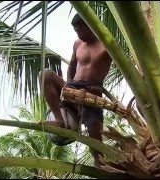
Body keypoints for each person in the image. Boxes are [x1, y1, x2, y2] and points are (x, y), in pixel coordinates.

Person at [39, 13, 112, 167]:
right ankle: (59, 119)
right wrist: (68, 85)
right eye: (76, 31)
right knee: (45, 75)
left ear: (90, 26)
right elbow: (72, 66)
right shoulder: (78, 44)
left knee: (95, 137)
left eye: (80, 30)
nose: (78, 34)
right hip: (72, 88)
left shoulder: (107, 45)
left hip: (92, 92)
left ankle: (99, 161)